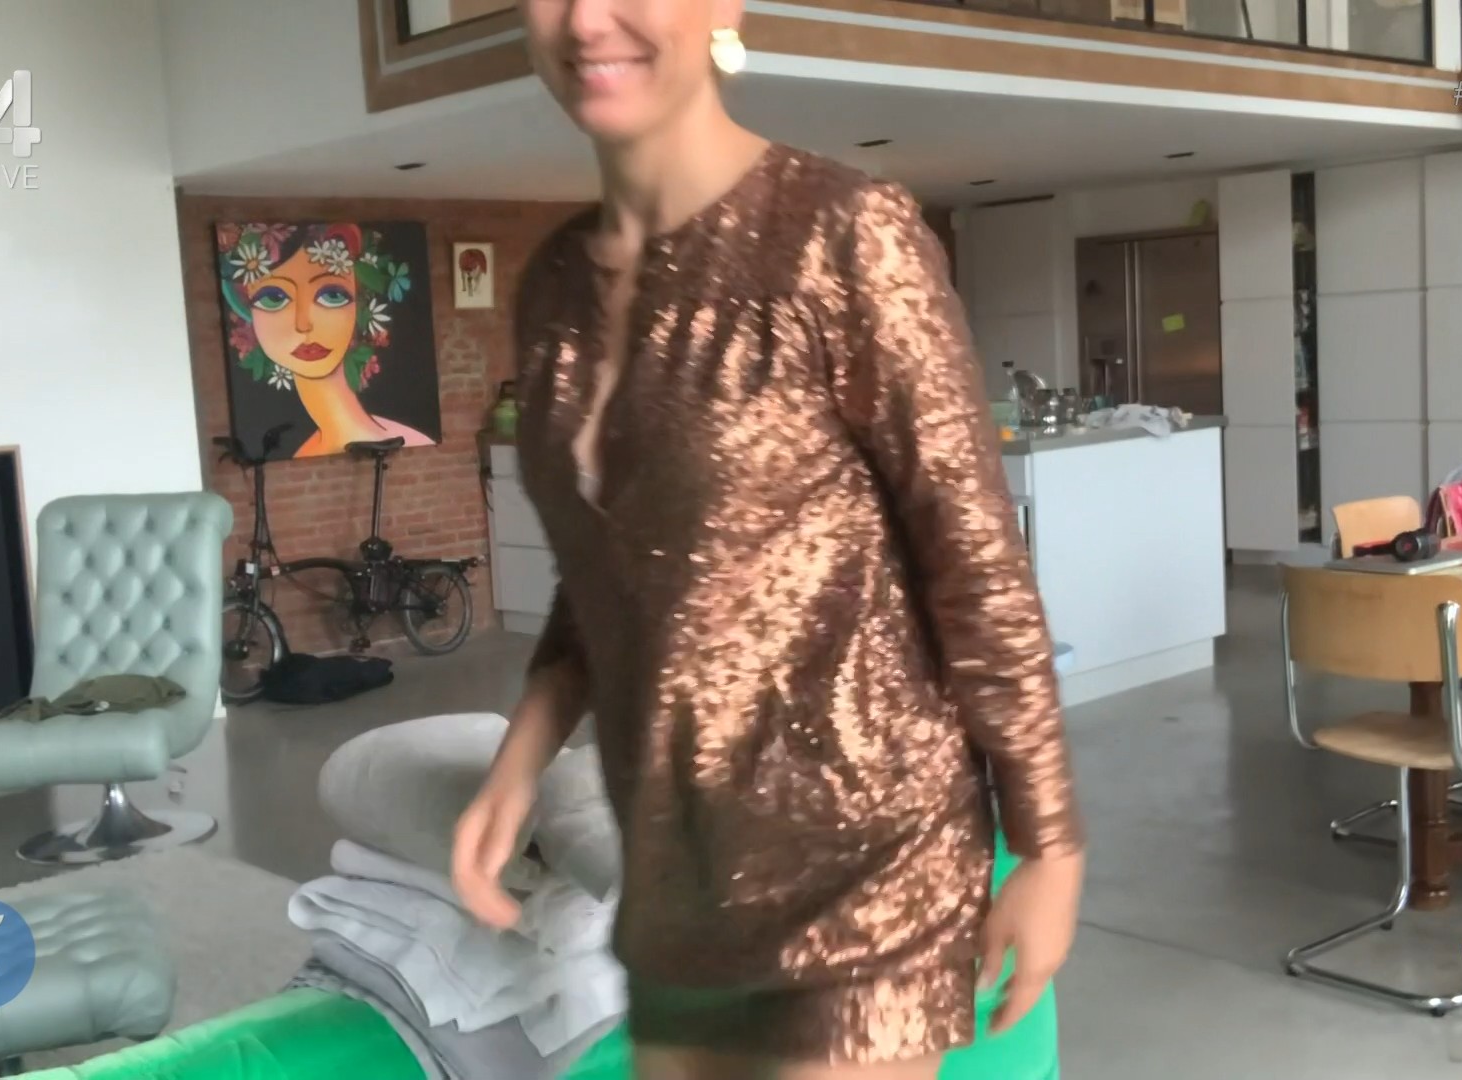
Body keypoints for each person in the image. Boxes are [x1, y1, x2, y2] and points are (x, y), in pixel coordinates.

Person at [449, 0, 1086, 1076]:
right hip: (676, 874)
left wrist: (1049, 842)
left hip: (865, 866)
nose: (587, 19)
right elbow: (608, 568)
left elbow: (975, 562)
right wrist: (521, 760)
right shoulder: (555, 282)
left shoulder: (844, 233)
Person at [218, 222, 434, 457]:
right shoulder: (306, 450)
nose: (303, 324)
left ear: (360, 306)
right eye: (273, 298)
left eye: (332, 295)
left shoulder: (411, 441)